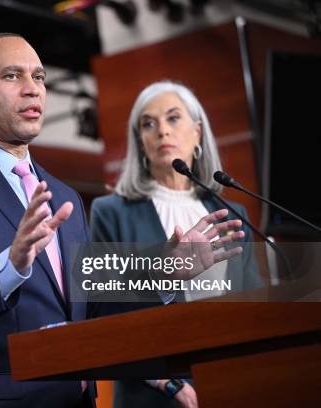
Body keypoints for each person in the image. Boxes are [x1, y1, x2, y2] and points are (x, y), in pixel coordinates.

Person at [0, 36, 244, 408]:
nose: (33, 90)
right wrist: (9, 267)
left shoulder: (64, 196)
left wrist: (166, 271)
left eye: (40, 77)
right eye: (12, 76)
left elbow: (91, 311)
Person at [90, 80, 263, 408]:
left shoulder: (231, 215)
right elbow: (104, 311)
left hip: (231, 385)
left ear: (197, 132)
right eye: (148, 124)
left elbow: (252, 309)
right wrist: (169, 384)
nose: (162, 132)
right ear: (140, 142)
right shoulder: (111, 213)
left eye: (173, 118)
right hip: (154, 394)